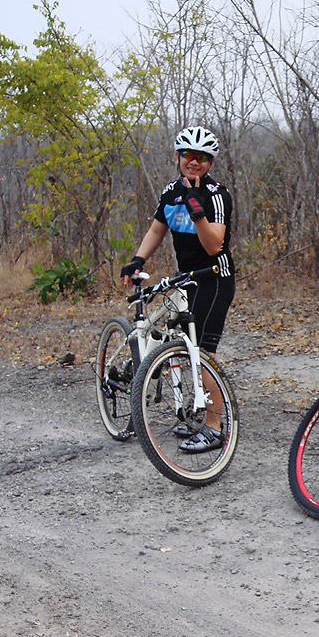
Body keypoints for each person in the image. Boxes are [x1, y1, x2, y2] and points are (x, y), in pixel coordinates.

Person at [120, 126, 235, 453]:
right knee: (183, 346)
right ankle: (197, 410)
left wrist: (197, 209)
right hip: (186, 279)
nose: (193, 162)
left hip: (214, 278)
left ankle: (214, 427)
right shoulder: (170, 192)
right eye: (188, 155)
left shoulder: (217, 195)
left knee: (203, 353)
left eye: (201, 157)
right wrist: (138, 259)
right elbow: (157, 229)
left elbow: (213, 246)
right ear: (178, 157)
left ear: (210, 162)